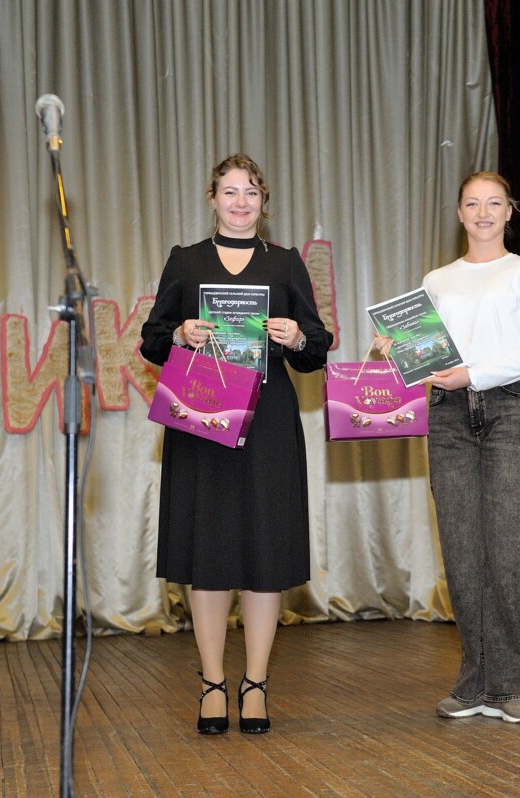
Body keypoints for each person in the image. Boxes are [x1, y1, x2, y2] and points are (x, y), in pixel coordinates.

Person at [140, 153, 331, 735]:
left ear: (263, 201)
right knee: (210, 553)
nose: (240, 201)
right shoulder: (186, 260)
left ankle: (255, 685)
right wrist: (179, 333)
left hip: (268, 423)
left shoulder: (286, 262)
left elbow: (316, 347)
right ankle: (211, 684)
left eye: (250, 191)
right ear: (212, 198)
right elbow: (152, 339)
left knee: (263, 556)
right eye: (230, 191)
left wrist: (296, 336)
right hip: (203, 419)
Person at [377, 171, 520, 723]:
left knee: (513, 546)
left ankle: (515, 686)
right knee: (461, 548)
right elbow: (428, 356)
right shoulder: (437, 280)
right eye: (473, 204)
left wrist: (474, 375)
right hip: (449, 413)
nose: (483, 213)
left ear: (509, 211)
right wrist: (395, 349)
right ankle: (475, 682)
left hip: (508, 407)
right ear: (459, 213)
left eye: (494, 203)